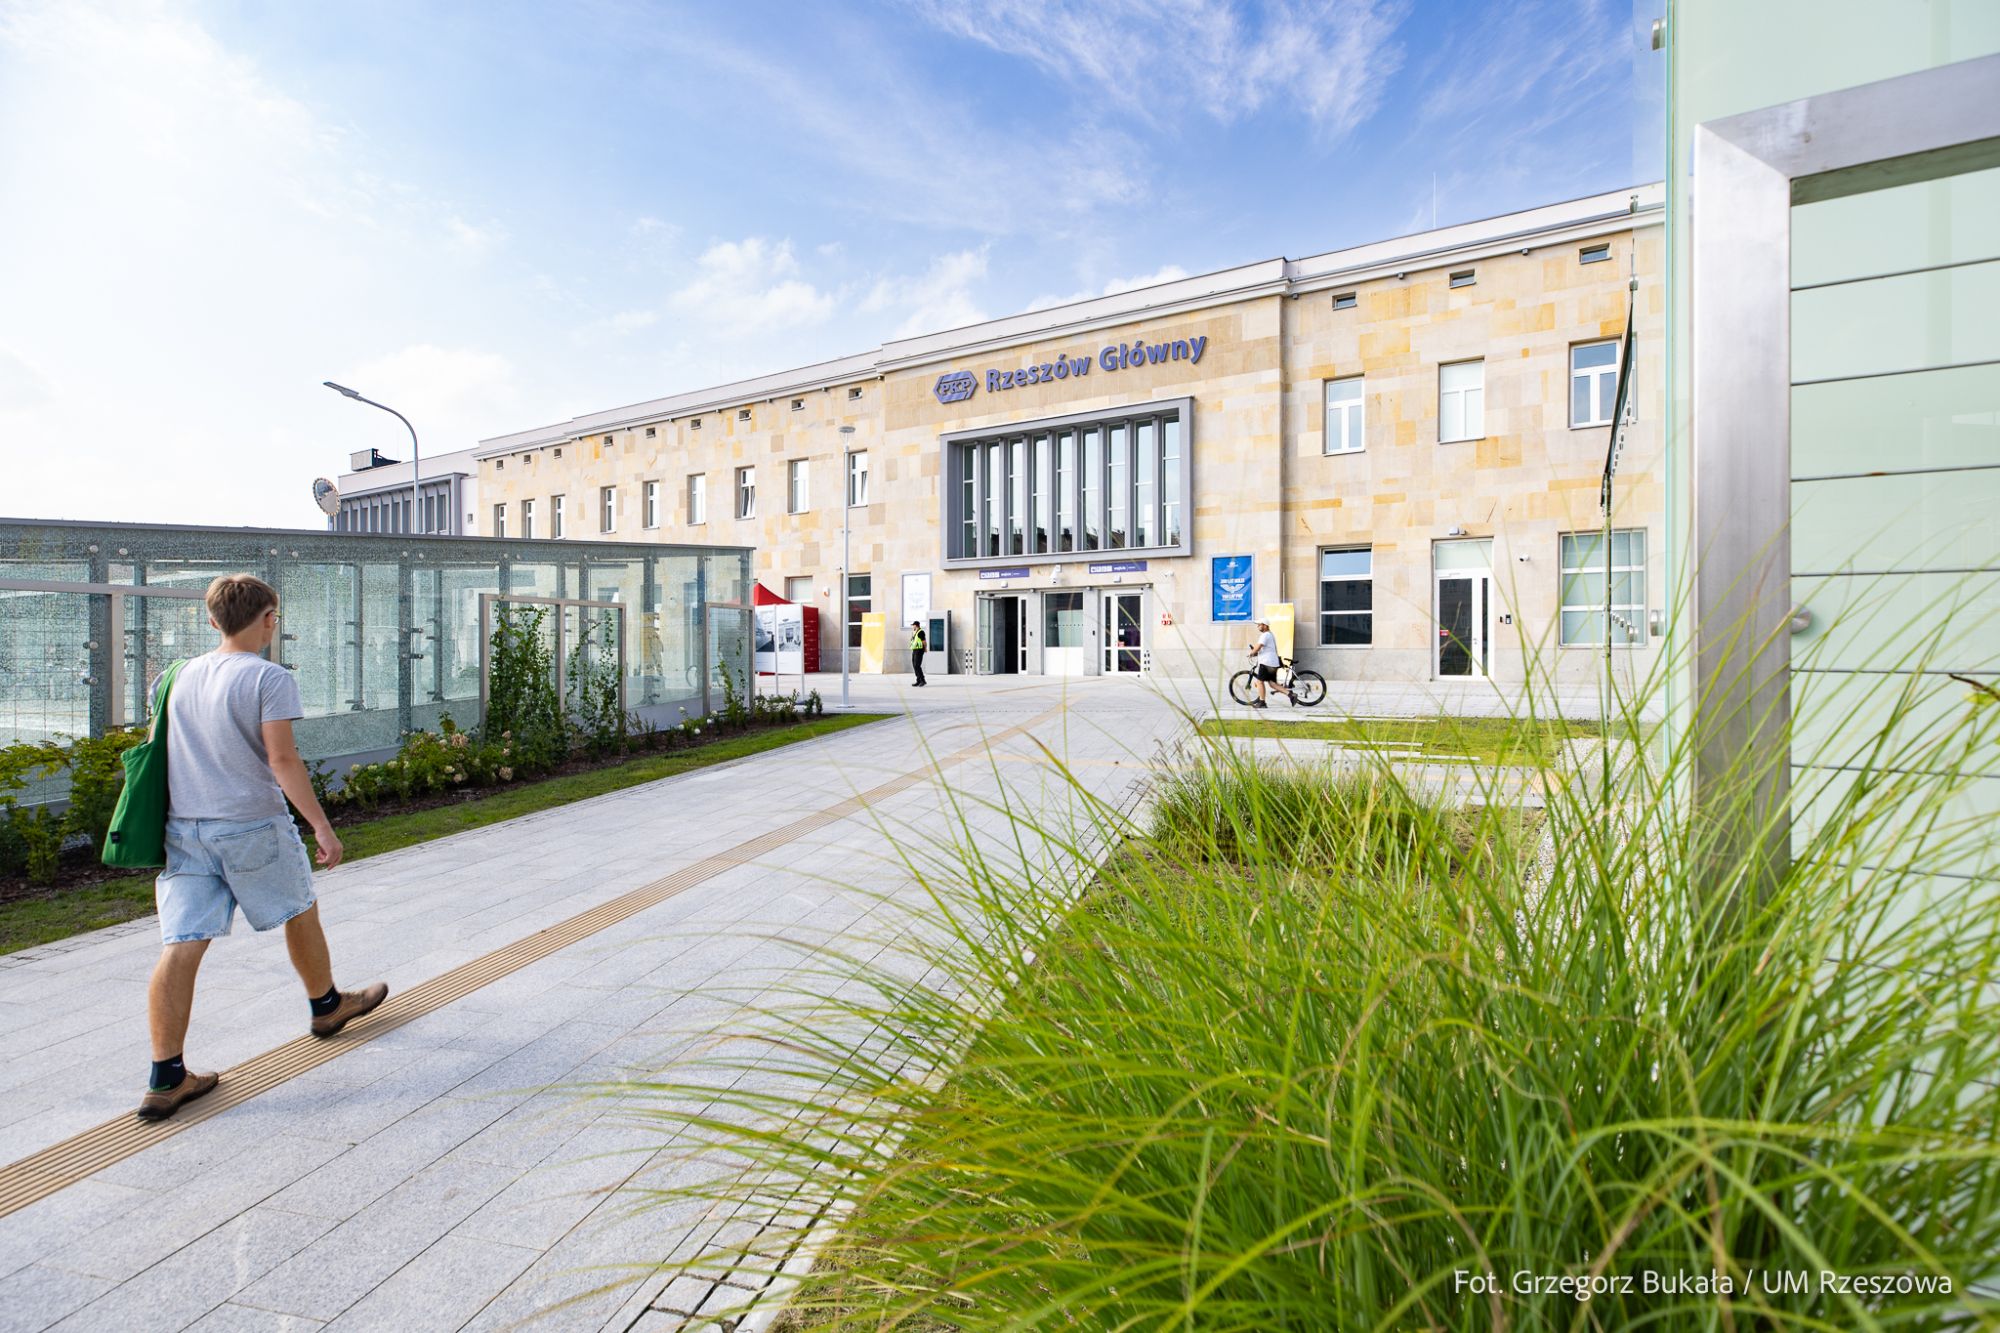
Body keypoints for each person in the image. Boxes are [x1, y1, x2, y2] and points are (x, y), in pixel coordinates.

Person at [137, 574, 388, 1122]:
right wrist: (322, 826)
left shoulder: (174, 677)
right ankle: (326, 1006)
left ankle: (165, 1077)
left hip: (185, 830)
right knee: (300, 907)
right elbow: (281, 761)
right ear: (269, 619)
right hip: (250, 825)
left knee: (181, 943)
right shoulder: (269, 678)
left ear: (211, 621)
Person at [1247, 620, 1291, 708]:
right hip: (1272, 662)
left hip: (1266, 662)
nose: (1258, 626)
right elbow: (1264, 649)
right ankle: (1291, 695)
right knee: (1272, 684)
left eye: (1259, 625)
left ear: (1265, 625)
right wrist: (1256, 652)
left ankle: (1262, 702)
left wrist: (1251, 653)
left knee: (1259, 682)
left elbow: (1258, 646)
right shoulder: (1270, 635)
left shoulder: (1265, 635)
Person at [908, 620, 928, 687]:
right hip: (915, 650)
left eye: (913, 625)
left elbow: (924, 641)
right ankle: (918, 680)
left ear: (916, 625)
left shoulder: (921, 632)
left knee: (917, 665)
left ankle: (923, 680)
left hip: (919, 650)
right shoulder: (915, 632)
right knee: (914, 665)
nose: (912, 626)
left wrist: (925, 648)